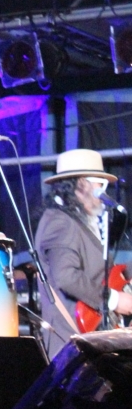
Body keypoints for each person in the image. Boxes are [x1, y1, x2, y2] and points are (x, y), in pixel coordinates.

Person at [35, 148, 131, 359]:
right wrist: (115, 300)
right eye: (100, 184)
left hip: (88, 341)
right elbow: (66, 276)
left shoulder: (75, 221)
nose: (103, 193)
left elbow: (98, 272)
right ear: (81, 184)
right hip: (71, 344)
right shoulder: (59, 222)